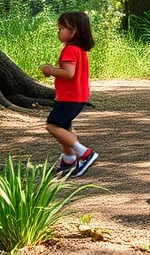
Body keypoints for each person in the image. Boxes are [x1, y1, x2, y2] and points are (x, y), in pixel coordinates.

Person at [40, 11, 99, 178]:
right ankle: (68, 159)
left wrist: (50, 70)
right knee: (64, 126)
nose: (58, 32)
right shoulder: (79, 50)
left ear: (73, 31)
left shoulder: (70, 50)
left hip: (70, 97)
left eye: (61, 28)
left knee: (53, 125)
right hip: (77, 96)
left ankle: (85, 153)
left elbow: (68, 73)